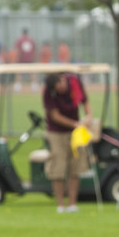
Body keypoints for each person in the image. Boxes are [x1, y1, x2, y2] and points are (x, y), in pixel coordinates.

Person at [42, 72, 91, 213]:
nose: (60, 90)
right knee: (58, 166)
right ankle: (60, 205)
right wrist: (75, 124)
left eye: (61, 87)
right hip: (56, 132)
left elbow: (85, 102)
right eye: (57, 89)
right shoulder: (48, 91)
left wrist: (88, 117)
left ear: (63, 79)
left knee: (75, 166)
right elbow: (55, 116)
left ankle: (72, 204)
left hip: (75, 132)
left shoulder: (75, 82)